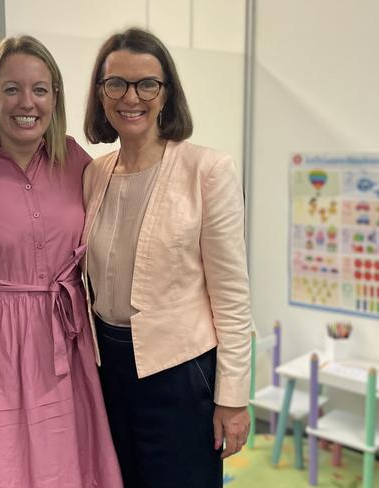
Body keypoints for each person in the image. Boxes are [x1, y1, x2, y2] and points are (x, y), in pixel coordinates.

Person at [0, 35, 123, 487]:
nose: (26, 102)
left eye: (40, 89)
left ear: (55, 97)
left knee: (63, 466)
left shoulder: (76, 161)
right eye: (12, 89)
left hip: (62, 342)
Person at [81, 27, 252, 487]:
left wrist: (233, 398)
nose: (130, 97)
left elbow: (232, 296)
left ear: (166, 93)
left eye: (147, 84)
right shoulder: (94, 173)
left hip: (181, 370)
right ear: (100, 94)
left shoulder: (207, 169)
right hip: (107, 365)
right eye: (115, 83)